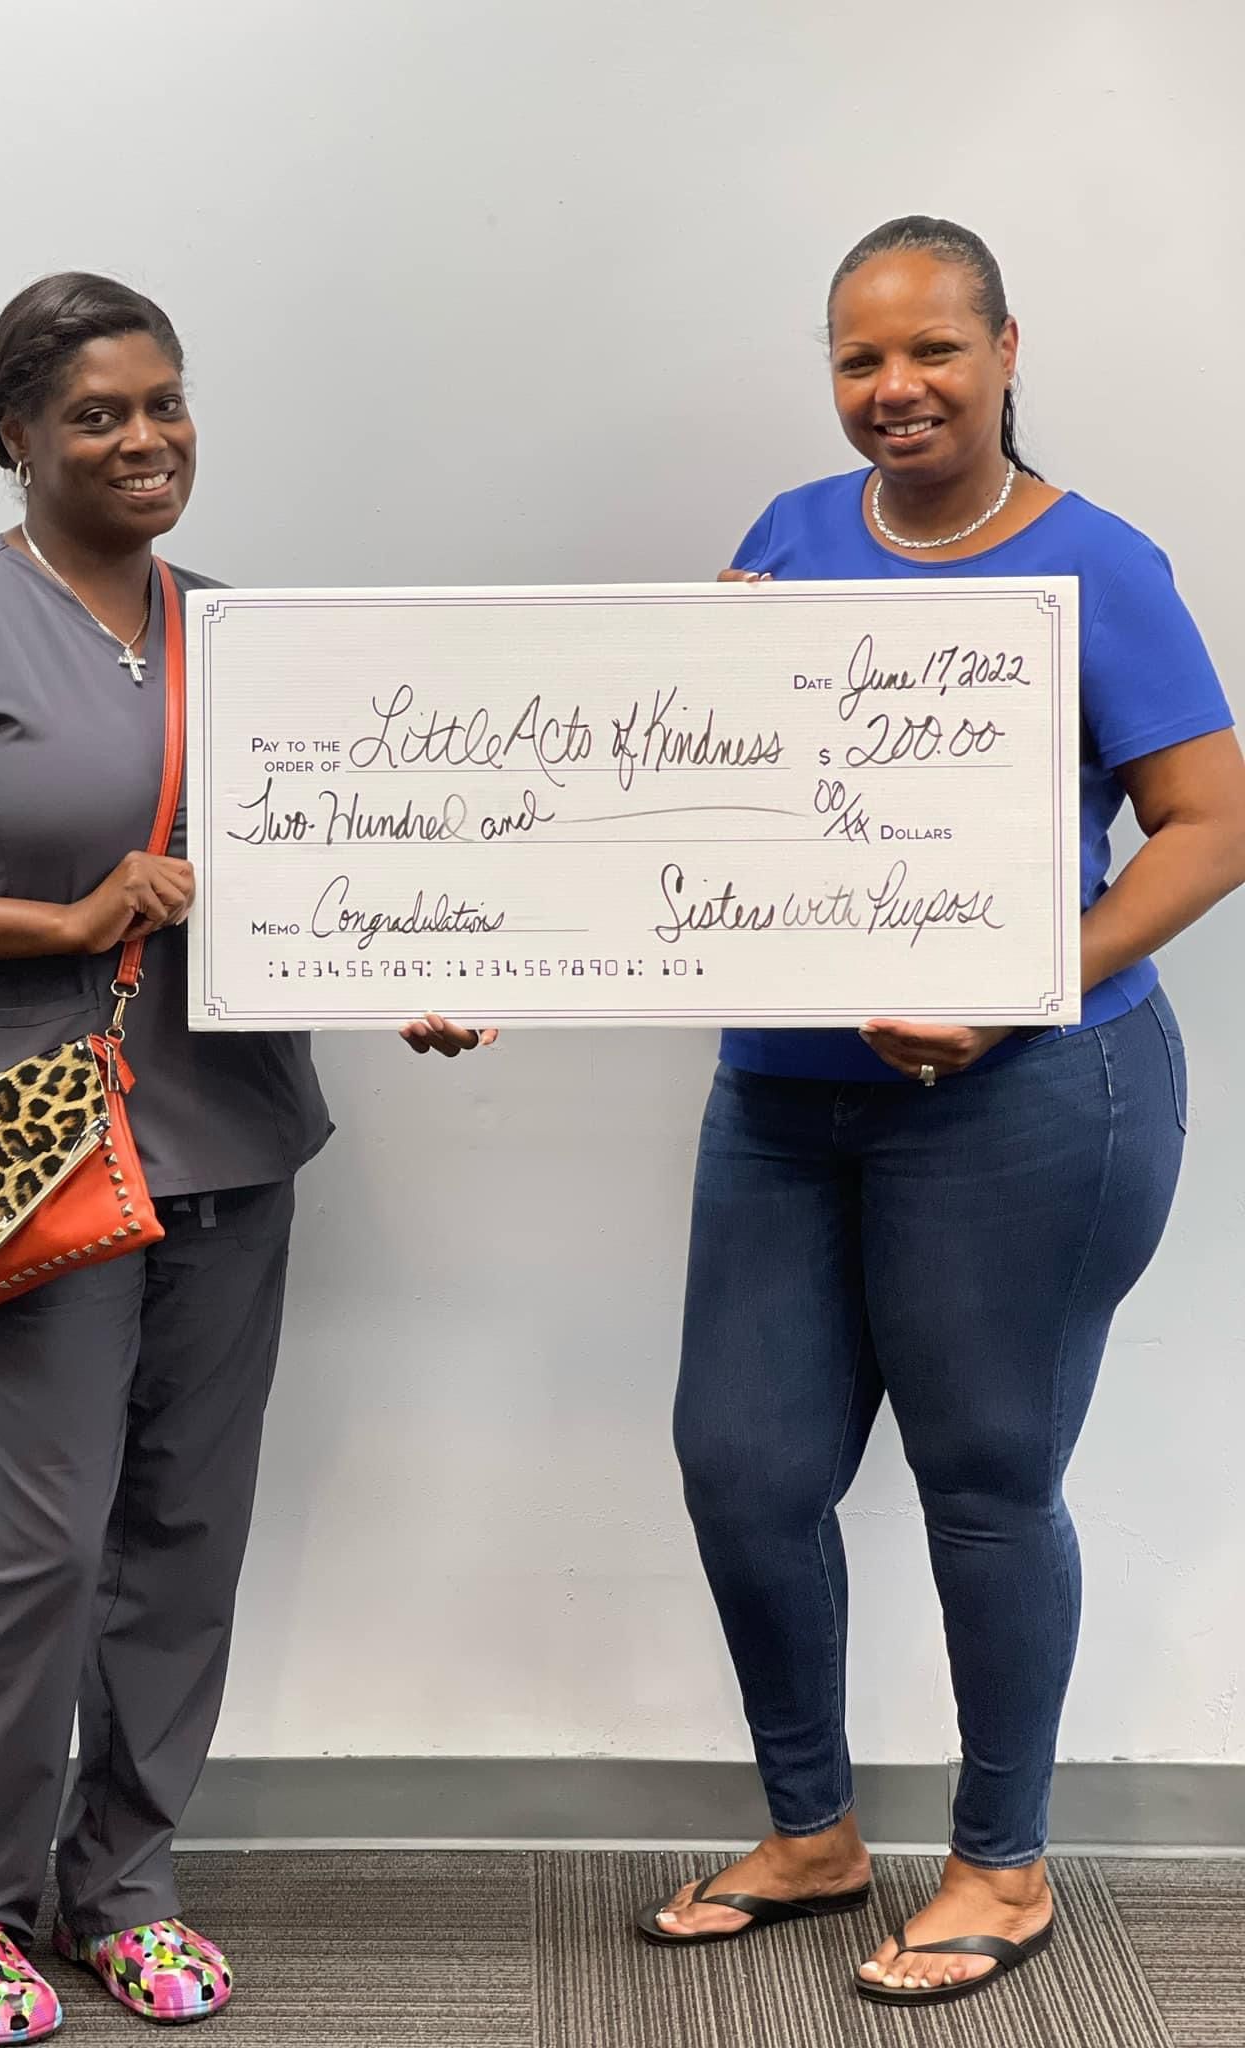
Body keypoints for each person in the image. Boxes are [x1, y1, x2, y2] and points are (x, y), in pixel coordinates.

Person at [0, 272, 489, 2044]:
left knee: (184, 1532)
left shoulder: (243, 635)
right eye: (99, 412)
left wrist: (413, 965)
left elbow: (330, 866)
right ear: (14, 433)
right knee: (38, 1538)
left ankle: (122, 1887)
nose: (146, 437)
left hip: (236, 1137)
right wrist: (66, 916)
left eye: (166, 401)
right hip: (36, 1141)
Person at [635, 217, 1245, 2011]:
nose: (892, 389)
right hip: (785, 1091)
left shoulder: (1097, 566)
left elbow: (1209, 827)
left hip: (1038, 1100)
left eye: (930, 353)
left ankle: (1001, 1862)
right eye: (856, 360)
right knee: (744, 1470)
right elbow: (688, 784)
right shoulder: (789, 538)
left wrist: (1018, 983)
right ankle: (816, 1834)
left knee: (985, 1481)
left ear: (1003, 352)